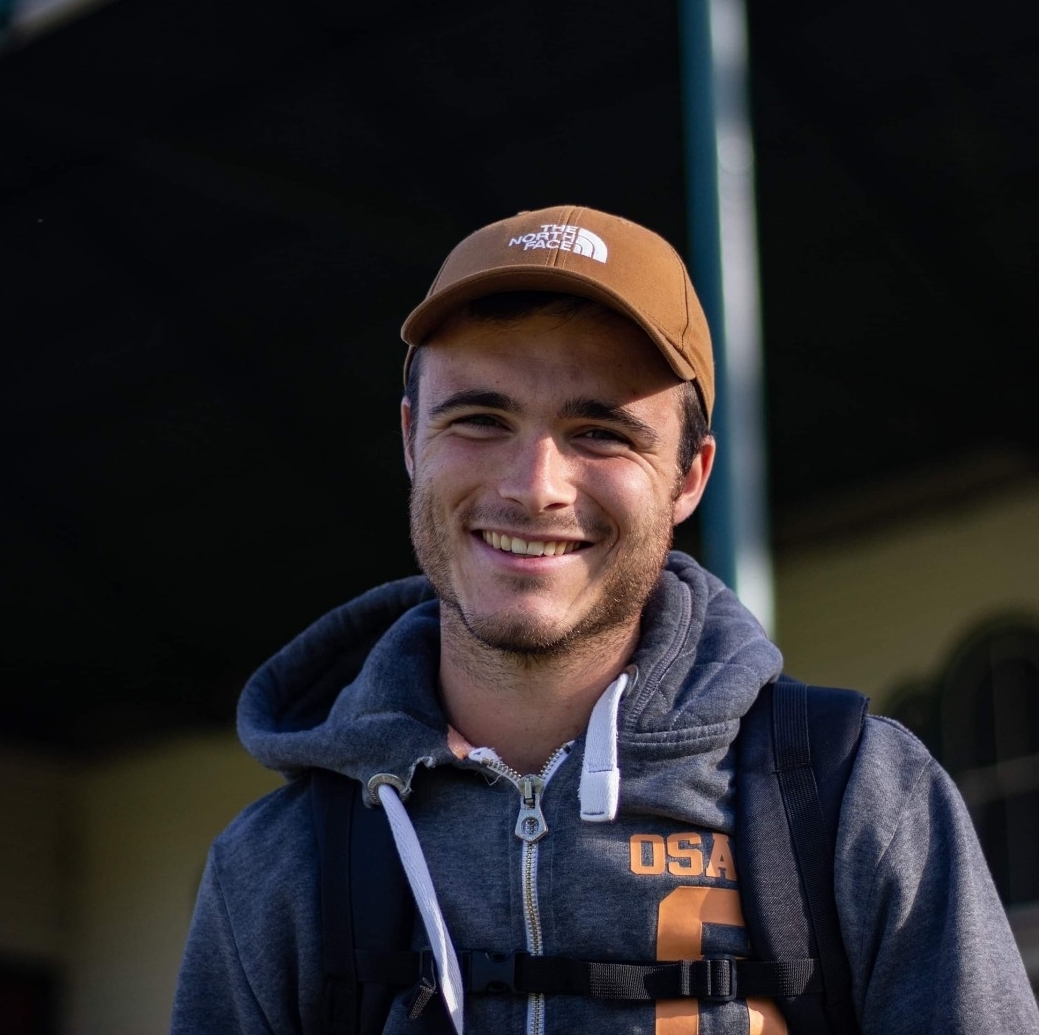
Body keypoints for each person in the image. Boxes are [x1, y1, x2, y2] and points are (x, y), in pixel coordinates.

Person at [172, 205, 1038, 1034]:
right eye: (480, 419)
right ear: (410, 441)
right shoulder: (277, 863)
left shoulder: (855, 795)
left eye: (600, 433)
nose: (534, 487)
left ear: (688, 477)